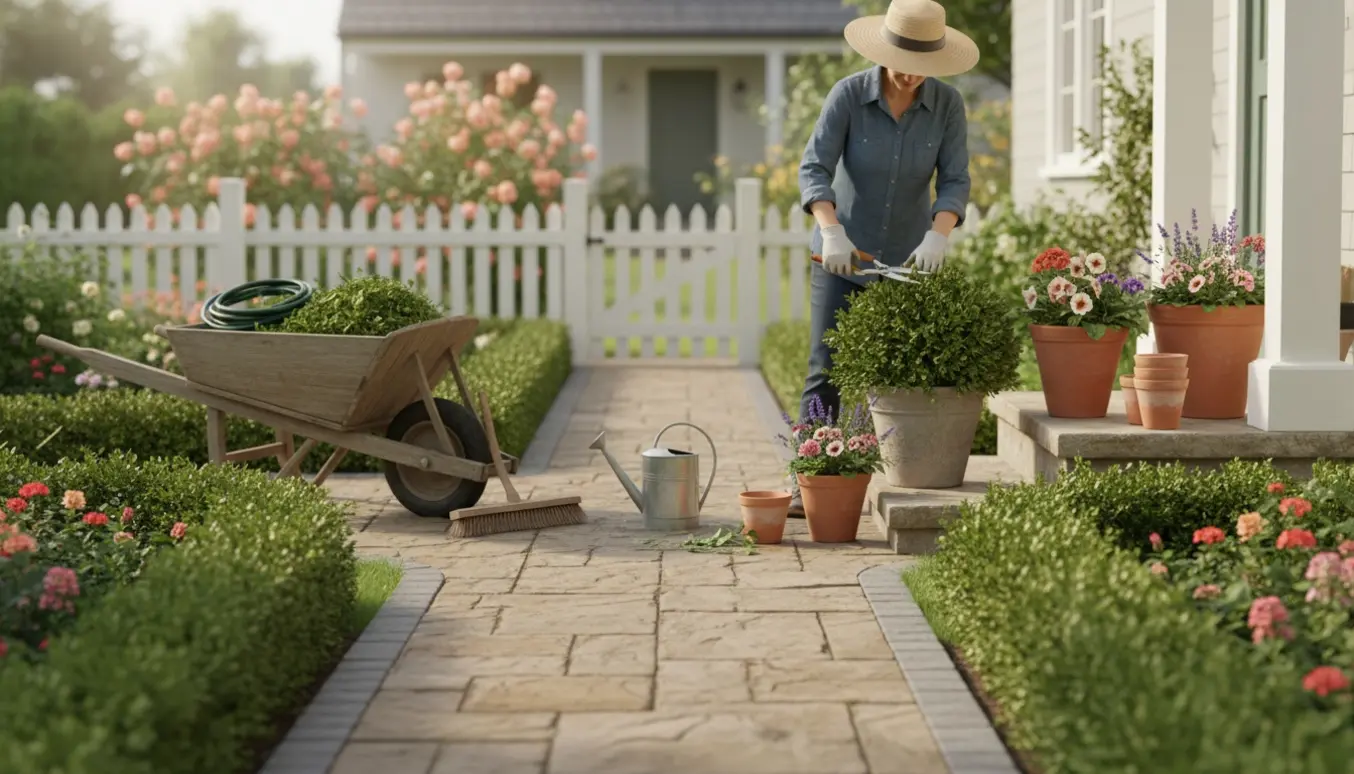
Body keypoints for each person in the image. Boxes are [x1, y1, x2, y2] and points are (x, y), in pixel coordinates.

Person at [789, 0, 978, 517]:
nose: (912, 75)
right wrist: (831, 231)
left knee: (903, 375)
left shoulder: (947, 106)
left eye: (924, 65)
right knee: (825, 369)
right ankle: (810, 486)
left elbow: (955, 179)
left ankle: (905, 478)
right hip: (842, 259)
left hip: (907, 264)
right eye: (904, 61)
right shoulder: (849, 96)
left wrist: (939, 235)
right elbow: (814, 167)